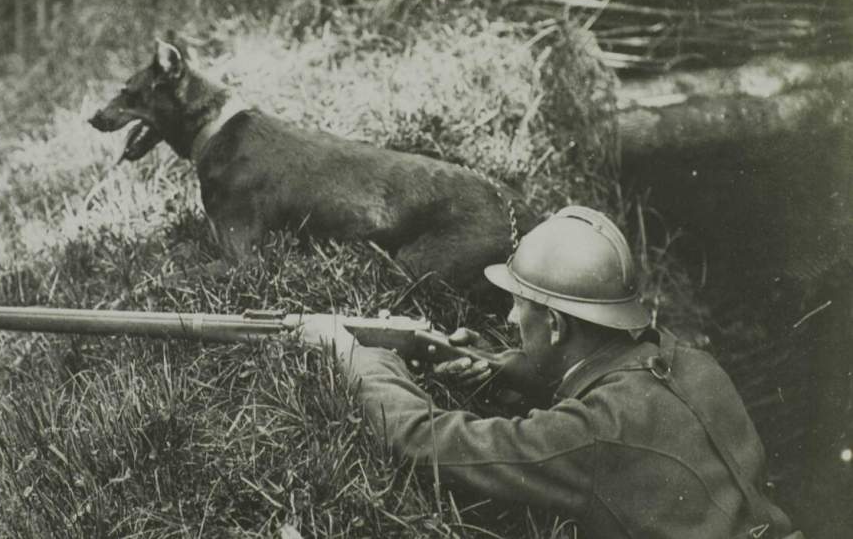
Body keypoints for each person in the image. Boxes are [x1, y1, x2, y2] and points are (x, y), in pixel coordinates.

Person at [301, 206, 801, 539]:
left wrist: (356, 357)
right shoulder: (694, 363)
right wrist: (505, 370)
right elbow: (625, 385)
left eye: (520, 308)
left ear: (557, 325)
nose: (509, 320)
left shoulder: (595, 434)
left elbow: (427, 443)